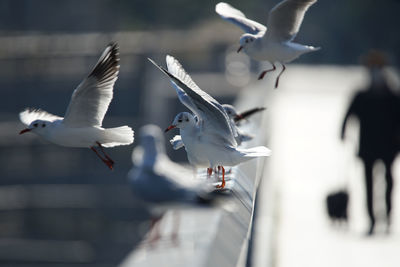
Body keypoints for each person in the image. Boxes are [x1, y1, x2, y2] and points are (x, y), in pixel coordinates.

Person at [341, 50, 400, 235]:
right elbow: (348, 116)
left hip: (389, 146)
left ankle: (388, 217)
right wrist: (342, 132)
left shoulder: (393, 96)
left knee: (389, 179)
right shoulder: (362, 95)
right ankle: (373, 220)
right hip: (368, 146)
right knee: (369, 182)